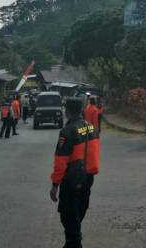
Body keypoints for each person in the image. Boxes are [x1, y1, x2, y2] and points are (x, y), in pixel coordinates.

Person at [50, 98, 100, 248]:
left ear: (67, 111)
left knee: (68, 217)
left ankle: (74, 243)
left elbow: (61, 161)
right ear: (81, 110)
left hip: (71, 181)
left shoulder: (67, 131)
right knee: (78, 213)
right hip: (88, 178)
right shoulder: (91, 128)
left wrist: (55, 184)